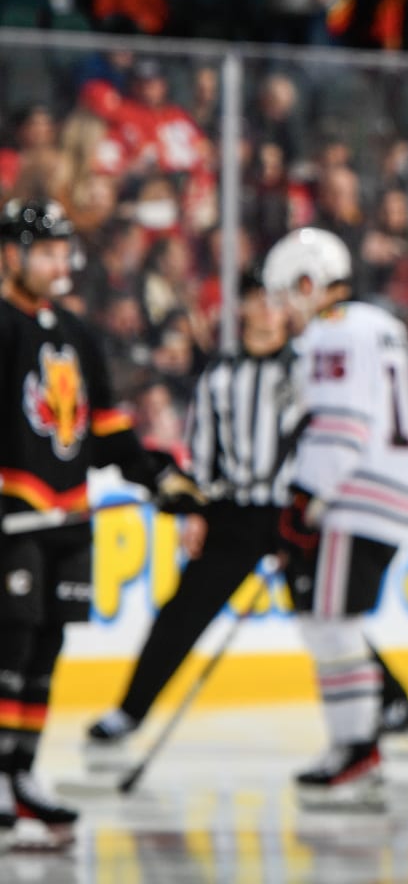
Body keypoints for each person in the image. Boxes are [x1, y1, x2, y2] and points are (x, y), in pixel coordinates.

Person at [84, 269, 408, 761]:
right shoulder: (220, 374)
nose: (267, 309)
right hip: (234, 513)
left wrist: (313, 504)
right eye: (256, 299)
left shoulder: (308, 364)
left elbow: (325, 434)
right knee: (182, 613)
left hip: (293, 511)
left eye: (274, 299)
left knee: (326, 613)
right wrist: (196, 511)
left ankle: (393, 704)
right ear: (240, 307)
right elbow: (203, 447)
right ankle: (129, 711)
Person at [0, 199, 201, 841]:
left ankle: (22, 775)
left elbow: (107, 429)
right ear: (10, 256)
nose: (59, 264)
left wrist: (157, 476)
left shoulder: (77, 334)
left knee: (45, 651)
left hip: (68, 522)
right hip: (14, 516)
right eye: (45, 252)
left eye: (63, 252)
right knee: (9, 647)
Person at [261, 228, 408, 807]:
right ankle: (361, 745)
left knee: (331, 624)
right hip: (388, 492)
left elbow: (342, 424)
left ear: (310, 283)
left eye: (287, 293)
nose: (284, 309)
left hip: (353, 498)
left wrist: (305, 496)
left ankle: (356, 748)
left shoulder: (334, 331)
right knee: (329, 623)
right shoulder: (379, 324)